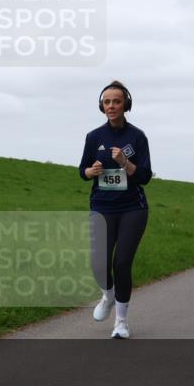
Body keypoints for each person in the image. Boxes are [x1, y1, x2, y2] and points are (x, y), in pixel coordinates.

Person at [79, 81, 152, 339]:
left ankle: (121, 321)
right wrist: (91, 171)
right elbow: (82, 171)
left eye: (116, 101)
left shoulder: (137, 137)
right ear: (102, 105)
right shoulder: (94, 137)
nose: (111, 106)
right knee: (98, 264)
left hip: (133, 208)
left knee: (121, 262)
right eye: (107, 102)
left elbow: (144, 176)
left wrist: (126, 163)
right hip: (102, 207)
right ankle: (107, 296)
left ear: (126, 105)